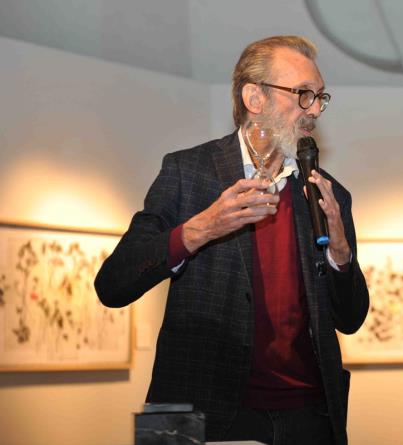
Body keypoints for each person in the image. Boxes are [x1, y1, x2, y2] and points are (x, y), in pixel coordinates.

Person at [95, 35, 369, 445]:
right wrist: (200, 229)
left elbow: (351, 320)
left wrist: (341, 258)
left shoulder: (329, 194)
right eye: (303, 94)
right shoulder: (188, 171)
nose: (314, 109)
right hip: (198, 409)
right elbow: (112, 285)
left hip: (309, 415)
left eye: (319, 97)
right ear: (254, 98)